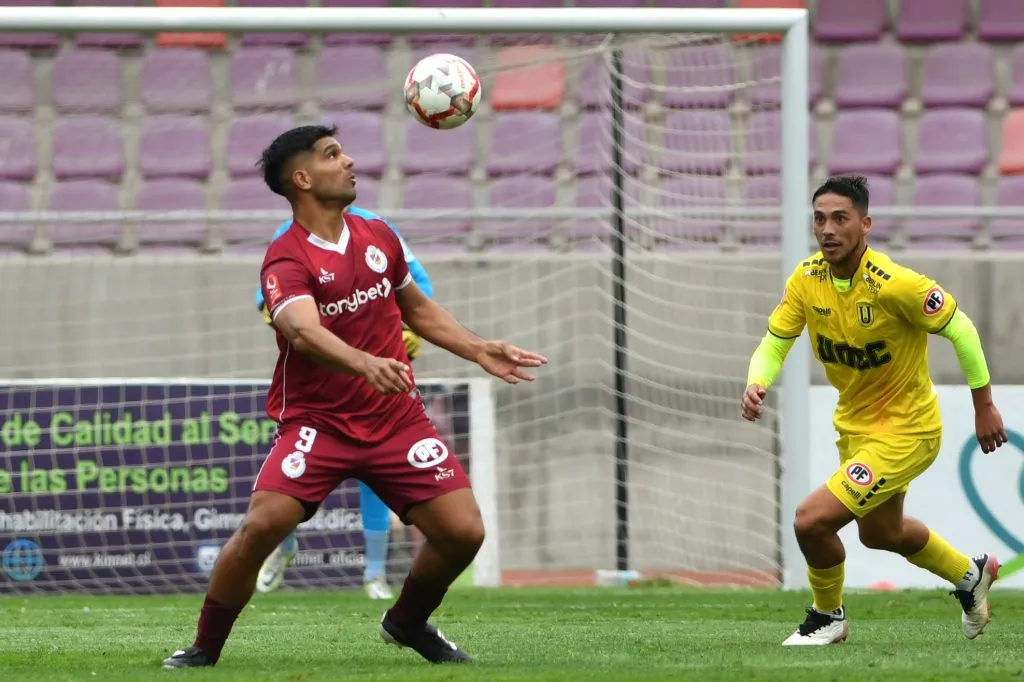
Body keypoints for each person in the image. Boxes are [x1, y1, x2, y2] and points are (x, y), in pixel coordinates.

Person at [162, 125, 546, 668]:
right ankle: (205, 647)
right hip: (319, 424)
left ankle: (406, 623)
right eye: (332, 155)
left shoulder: (379, 236)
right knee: (262, 526)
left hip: (395, 420)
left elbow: (417, 309)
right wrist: (365, 363)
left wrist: (479, 348)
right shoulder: (286, 258)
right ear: (301, 178)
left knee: (463, 532)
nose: (349, 162)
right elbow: (300, 330)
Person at [741, 175, 1006, 646]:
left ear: (865, 225)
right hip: (857, 428)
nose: (828, 229)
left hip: (908, 429)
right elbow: (776, 341)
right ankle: (971, 575)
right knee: (881, 533)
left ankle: (828, 618)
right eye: (820, 218)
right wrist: (757, 380)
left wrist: (983, 407)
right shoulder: (806, 280)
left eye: (840, 218)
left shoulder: (895, 284)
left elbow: (961, 329)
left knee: (811, 520)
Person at [254, 207, 435, 601]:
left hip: (376, 387)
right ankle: (283, 549)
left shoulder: (377, 230)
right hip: (316, 395)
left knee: (375, 483)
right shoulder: (288, 237)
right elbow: (267, 303)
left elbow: (421, 289)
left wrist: (402, 331)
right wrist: (313, 336)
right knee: (287, 486)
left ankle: (374, 574)